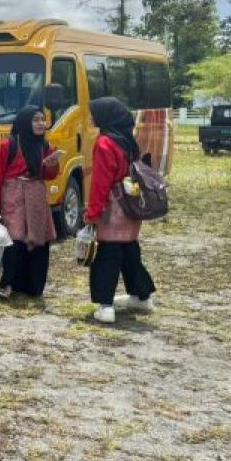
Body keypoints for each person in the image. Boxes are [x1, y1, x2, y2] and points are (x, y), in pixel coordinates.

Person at [85, 97, 156, 324]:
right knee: (129, 250)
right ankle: (141, 297)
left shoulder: (105, 142)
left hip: (113, 205)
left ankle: (105, 306)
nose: (91, 116)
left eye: (94, 113)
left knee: (108, 254)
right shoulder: (128, 140)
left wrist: (93, 213)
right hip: (131, 202)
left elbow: (100, 182)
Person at [0, 106, 61, 299]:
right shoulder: (8, 145)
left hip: (36, 195)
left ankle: (33, 286)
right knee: (15, 238)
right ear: (25, 122)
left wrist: (53, 165)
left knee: (38, 239)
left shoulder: (45, 146)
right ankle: (8, 283)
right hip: (13, 195)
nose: (40, 124)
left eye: (42, 120)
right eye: (35, 120)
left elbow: (48, 175)